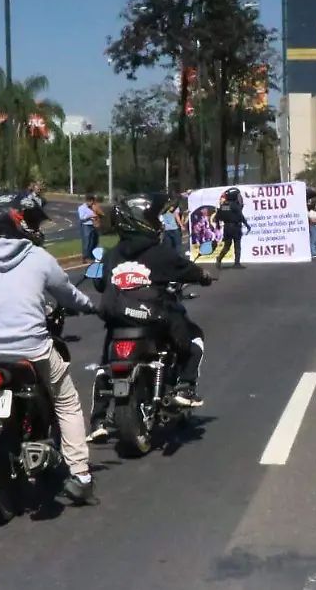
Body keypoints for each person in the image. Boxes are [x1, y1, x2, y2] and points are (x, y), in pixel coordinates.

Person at [0, 196, 98, 504]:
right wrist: (89, 307)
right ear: (19, 225)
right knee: (66, 400)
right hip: (33, 350)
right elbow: (66, 292)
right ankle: (80, 474)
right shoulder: (38, 257)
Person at [88, 194, 213, 441]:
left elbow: (101, 283)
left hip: (117, 318)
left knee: (105, 366)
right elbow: (187, 270)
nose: (157, 222)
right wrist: (203, 275)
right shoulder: (159, 253)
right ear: (140, 221)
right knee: (194, 339)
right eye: (152, 217)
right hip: (154, 316)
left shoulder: (112, 255)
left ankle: (98, 420)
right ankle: (185, 386)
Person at [214, 188, 251, 269]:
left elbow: (217, 216)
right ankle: (237, 264)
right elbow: (241, 217)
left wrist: (218, 225)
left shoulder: (224, 206)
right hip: (235, 227)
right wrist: (247, 225)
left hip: (227, 228)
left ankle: (219, 258)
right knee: (237, 245)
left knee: (227, 245)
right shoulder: (235, 205)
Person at [78, 194, 100, 262]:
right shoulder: (82, 208)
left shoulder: (93, 207)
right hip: (86, 226)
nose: (92, 203)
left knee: (93, 241)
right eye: (92, 202)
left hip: (93, 225)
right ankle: (85, 257)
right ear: (89, 201)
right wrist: (90, 217)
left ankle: (91, 256)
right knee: (86, 242)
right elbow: (82, 218)